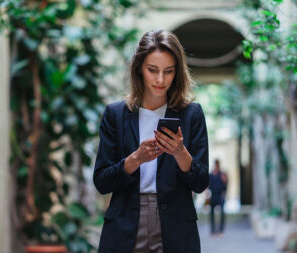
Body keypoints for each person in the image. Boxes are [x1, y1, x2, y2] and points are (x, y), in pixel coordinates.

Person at [93, 30, 209, 253]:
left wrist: (179, 153)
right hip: (125, 221)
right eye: (152, 70)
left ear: (177, 73)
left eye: (168, 72)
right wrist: (136, 159)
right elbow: (102, 182)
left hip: (176, 225)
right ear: (139, 69)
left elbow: (201, 182)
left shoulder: (191, 114)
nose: (160, 80)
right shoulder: (115, 114)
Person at [208, 159, 227, 235]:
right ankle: (213, 230)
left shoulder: (222, 174)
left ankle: (221, 229)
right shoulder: (211, 174)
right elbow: (208, 186)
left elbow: (225, 186)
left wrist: (225, 181)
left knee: (222, 212)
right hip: (213, 195)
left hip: (220, 195)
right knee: (211, 213)